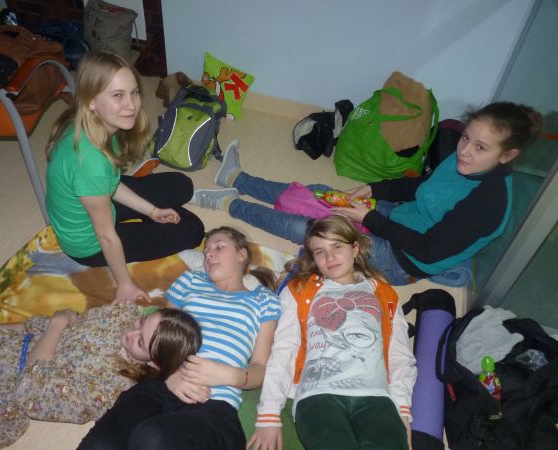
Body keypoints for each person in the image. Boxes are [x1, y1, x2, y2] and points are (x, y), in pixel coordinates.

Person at [191, 102, 542, 285]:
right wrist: (374, 189)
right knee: (322, 194)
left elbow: (427, 249)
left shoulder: (488, 206)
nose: (464, 150)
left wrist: (370, 218)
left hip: (403, 259)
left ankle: (230, 204)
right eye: (465, 137)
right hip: (397, 217)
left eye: (480, 147)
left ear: (507, 155)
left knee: (311, 231)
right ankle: (236, 177)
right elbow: (424, 187)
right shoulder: (464, 160)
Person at [78, 226, 281, 450]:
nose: (209, 254)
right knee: (101, 444)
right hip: (161, 387)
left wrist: (229, 374)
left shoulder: (264, 300)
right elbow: (160, 335)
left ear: (242, 254)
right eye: (206, 251)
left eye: (218, 247)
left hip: (213, 404)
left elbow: (260, 367)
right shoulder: (191, 280)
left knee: (152, 438)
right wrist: (171, 374)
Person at [45, 52, 204, 304]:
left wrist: (152, 211)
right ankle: (148, 224)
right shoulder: (91, 162)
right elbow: (105, 235)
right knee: (192, 229)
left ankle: (149, 215)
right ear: (91, 101)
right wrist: (125, 285)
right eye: (118, 95)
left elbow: (112, 183)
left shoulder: (99, 125)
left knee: (182, 185)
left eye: (134, 92)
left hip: (96, 194)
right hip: (90, 242)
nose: (131, 105)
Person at [247, 216, 416, 450]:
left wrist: (403, 411)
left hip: (377, 397)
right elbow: (284, 351)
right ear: (313, 258)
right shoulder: (299, 290)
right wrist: (268, 414)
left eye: (337, 246)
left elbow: (400, 355)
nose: (330, 257)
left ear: (355, 248)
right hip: (318, 396)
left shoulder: (385, 294)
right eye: (320, 252)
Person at [0, 305, 201, 449]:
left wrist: (57, 324)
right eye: (142, 321)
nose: (130, 332)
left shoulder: (108, 390)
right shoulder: (120, 316)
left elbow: (30, 391)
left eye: (139, 342)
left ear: (153, 363)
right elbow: (35, 328)